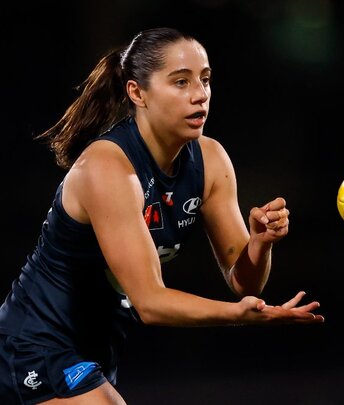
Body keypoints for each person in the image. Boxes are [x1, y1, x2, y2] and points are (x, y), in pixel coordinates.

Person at [0, 27, 324, 404]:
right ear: (138, 93)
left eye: (204, 80)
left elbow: (245, 283)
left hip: (93, 354)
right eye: (181, 82)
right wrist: (241, 315)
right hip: (33, 344)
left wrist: (260, 244)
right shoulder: (108, 168)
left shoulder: (210, 159)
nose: (200, 95)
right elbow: (150, 303)